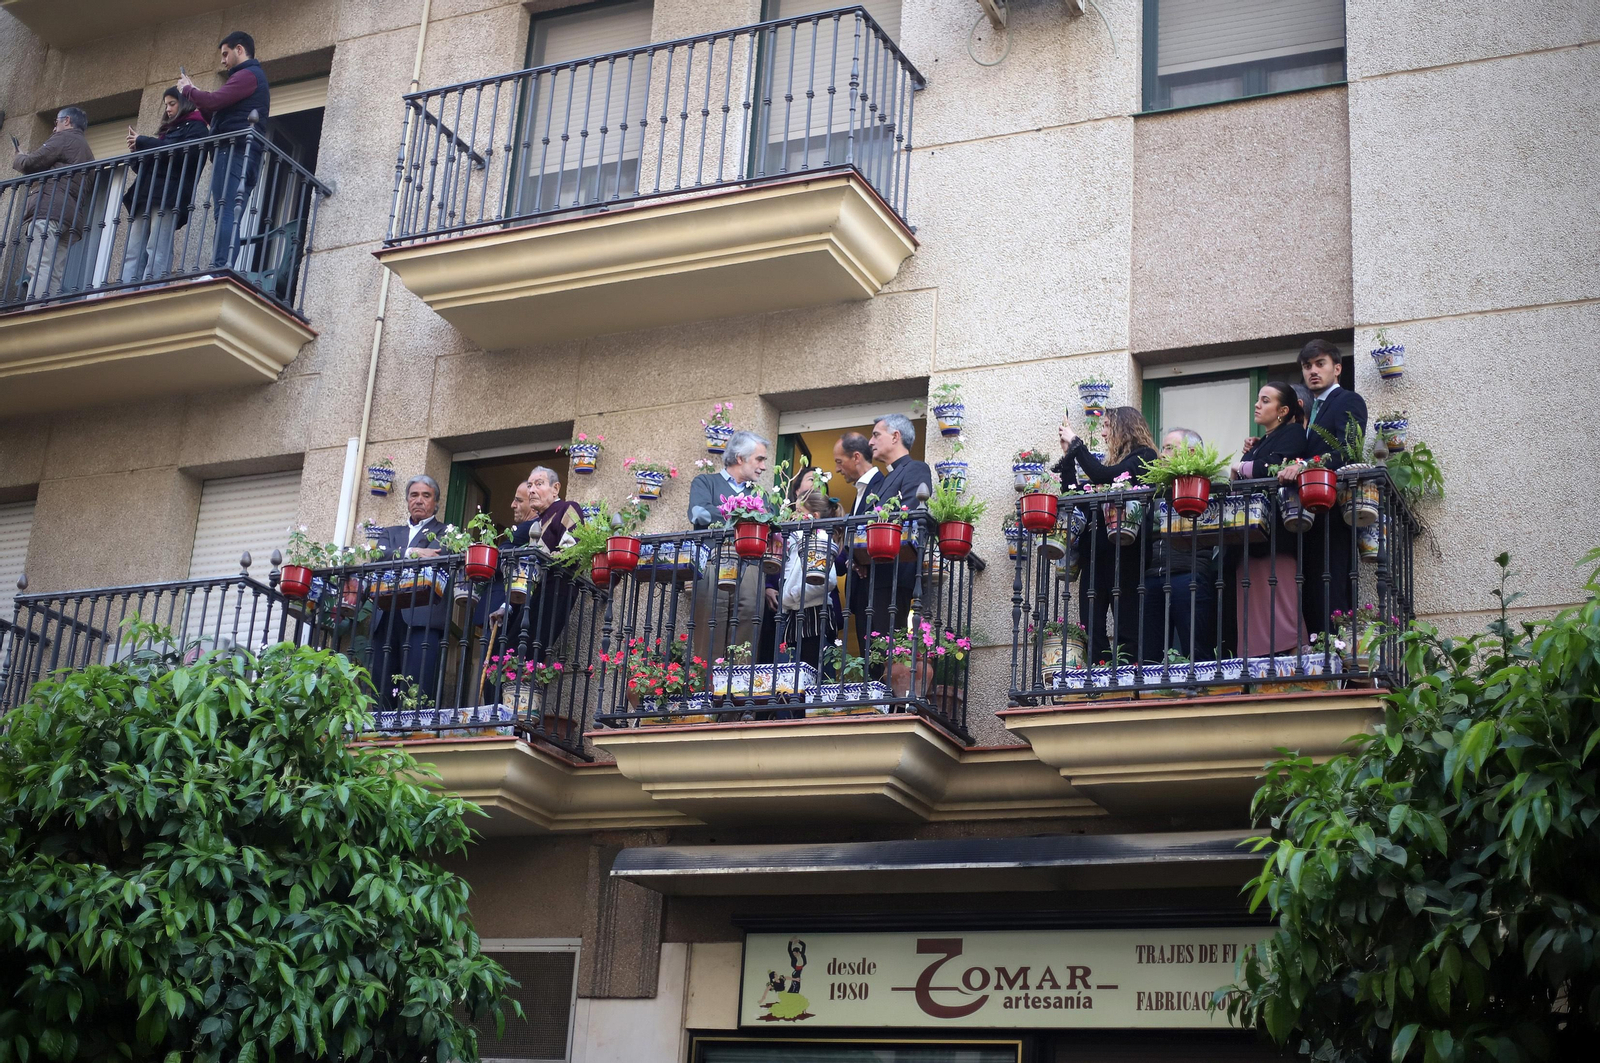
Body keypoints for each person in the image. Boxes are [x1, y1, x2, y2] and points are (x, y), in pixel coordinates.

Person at [1276, 338, 1368, 635]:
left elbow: (1347, 451)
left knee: (1332, 584)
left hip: (1334, 510)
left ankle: (1337, 654)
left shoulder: (1348, 400)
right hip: (1307, 512)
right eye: (1307, 366)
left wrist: (1304, 466)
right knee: (1313, 589)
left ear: (1337, 368)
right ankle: (1319, 651)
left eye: (1320, 364)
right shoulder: (1312, 409)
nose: (1312, 371)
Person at [1056, 406, 1157, 666]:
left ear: (1123, 428)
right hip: (1095, 555)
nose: (1102, 434)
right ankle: (1099, 678)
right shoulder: (1114, 465)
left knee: (1126, 624)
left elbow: (1103, 475)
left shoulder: (1143, 457)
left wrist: (1078, 444)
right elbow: (1074, 497)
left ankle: (1126, 677)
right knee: (1091, 626)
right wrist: (1068, 457)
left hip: (1125, 555)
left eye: (1106, 427)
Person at [178, 30, 270, 268]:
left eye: (226, 54)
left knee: (225, 210)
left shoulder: (247, 74)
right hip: (245, 155)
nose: (223, 60)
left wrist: (189, 91)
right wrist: (198, 99)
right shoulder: (250, 77)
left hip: (233, 151)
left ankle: (220, 268)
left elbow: (214, 101)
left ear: (240, 50)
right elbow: (216, 111)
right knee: (231, 213)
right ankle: (224, 266)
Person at [1231, 384, 1310, 657]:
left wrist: (1240, 468)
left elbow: (1273, 467)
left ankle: (1292, 663)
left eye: (1265, 401)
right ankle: (1256, 668)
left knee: (1283, 603)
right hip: (1250, 537)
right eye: (1257, 400)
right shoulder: (1260, 442)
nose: (1257, 405)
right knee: (1252, 611)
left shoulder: (1293, 433)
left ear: (1283, 410)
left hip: (1277, 534)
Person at [687, 430, 771, 659]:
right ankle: (707, 689)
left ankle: (739, 691)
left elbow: (771, 521)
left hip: (752, 566)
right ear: (740, 458)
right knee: (709, 627)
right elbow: (699, 514)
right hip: (713, 563)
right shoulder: (705, 482)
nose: (763, 467)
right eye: (760, 459)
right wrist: (747, 515)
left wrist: (725, 513)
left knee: (747, 629)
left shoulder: (760, 494)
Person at [1142, 427, 1219, 664]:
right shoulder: (1154, 488)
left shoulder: (1206, 484)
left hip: (1189, 572)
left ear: (1192, 452)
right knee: (1149, 655)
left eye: (1169, 448)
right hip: (1153, 574)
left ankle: (1202, 697)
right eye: (1162, 448)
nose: (1161, 455)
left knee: (1196, 650)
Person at [859, 414, 934, 655]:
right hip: (874, 576)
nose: (870, 442)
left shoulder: (915, 468)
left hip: (894, 575)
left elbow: (909, 514)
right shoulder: (882, 480)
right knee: (871, 655)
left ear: (895, 436)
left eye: (876, 434)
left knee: (884, 654)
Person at [371, 475, 449, 706]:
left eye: (426, 495)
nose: (419, 500)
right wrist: (412, 553)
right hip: (386, 614)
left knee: (417, 684)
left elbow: (440, 556)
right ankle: (379, 734)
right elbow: (378, 556)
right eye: (414, 495)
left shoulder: (446, 533)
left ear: (436, 503)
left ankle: (412, 732)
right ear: (406, 500)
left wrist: (400, 553)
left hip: (422, 616)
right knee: (381, 682)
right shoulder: (390, 532)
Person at [120, 88, 210, 286]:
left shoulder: (197, 127)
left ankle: (151, 292)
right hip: (146, 194)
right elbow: (149, 166)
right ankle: (126, 294)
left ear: (184, 103)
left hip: (168, 196)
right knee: (133, 250)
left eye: (172, 103)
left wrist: (144, 141)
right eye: (166, 105)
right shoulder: (168, 131)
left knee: (157, 248)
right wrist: (138, 151)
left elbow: (183, 155)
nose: (168, 109)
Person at [11, 107, 93, 302]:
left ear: (66, 121)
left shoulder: (63, 138)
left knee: (39, 266)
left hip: (49, 212)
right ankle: (49, 313)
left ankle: (35, 314)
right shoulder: (88, 152)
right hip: (70, 221)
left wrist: (18, 157)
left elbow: (31, 163)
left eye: (56, 123)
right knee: (54, 272)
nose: (54, 129)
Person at [832, 432, 880, 653]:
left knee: (876, 658)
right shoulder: (860, 491)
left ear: (857, 457)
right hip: (862, 590)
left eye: (839, 462)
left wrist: (857, 556)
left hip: (876, 588)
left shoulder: (882, 487)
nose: (837, 469)